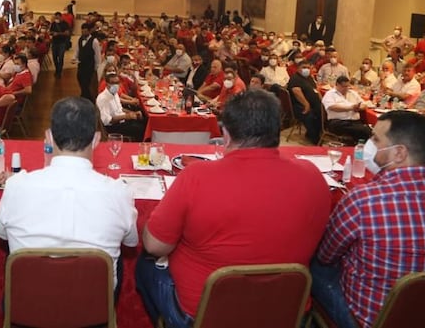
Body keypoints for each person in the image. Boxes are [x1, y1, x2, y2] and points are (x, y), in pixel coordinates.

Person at [137, 89, 330, 328]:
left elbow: (155, 246)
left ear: (225, 134)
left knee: (145, 263)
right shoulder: (313, 176)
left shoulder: (197, 176)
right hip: (286, 313)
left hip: (203, 315)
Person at [312, 111, 425, 328]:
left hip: (373, 319)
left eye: (376, 139)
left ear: (399, 153)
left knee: (314, 263)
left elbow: (327, 255)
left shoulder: (363, 200)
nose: (370, 145)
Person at [0, 97, 138, 296]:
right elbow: (131, 242)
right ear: (97, 140)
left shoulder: (16, 186)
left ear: (49, 137)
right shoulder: (119, 193)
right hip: (93, 306)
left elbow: (2, 235)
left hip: (28, 303)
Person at [96, 71, 145, 142]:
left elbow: (120, 109)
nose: (115, 85)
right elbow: (107, 121)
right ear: (107, 84)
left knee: (144, 119)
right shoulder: (103, 98)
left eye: (117, 83)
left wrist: (133, 113)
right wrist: (126, 116)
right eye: (113, 83)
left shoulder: (114, 94)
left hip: (122, 120)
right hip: (112, 126)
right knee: (140, 129)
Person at [322, 75, 372, 143]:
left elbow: (364, 104)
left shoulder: (353, 93)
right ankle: (358, 146)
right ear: (337, 85)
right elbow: (332, 107)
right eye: (343, 86)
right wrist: (350, 108)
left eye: (347, 86)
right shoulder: (330, 94)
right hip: (338, 122)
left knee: (368, 130)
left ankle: (357, 146)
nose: (346, 88)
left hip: (354, 121)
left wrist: (359, 108)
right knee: (364, 131)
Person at [287, 62, 321, 144]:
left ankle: (313, 133)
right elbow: (296, 92)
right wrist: (306, 104)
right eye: (304, 67)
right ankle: (315, 137)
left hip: (313, 104)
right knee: (310, 115)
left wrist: (321, 101)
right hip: (300, 105)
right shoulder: (295, 78)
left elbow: (316, 90)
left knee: (323, 112)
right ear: (298, 68)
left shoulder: (309, 78)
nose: (306, 69)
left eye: (308, 67)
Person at [75, 22, 102, 100]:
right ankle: (85, 95)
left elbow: (97, 55)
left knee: (87, 82)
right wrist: (75, 58)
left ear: (89, 31)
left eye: (85, 31)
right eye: (82, 31)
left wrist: (97, 67)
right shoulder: (80, 39)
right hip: (81, 64)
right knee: (79, 78)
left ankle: (86, 97)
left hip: (90, 65)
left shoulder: (94, 41)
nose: (83, 33)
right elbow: (77, 50)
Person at [48, 12, 71, 79]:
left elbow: (67, 33)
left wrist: (58, 34)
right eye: (56, 18)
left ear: (61, 17)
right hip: (54, 42)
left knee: (61, 57)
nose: (57, 19)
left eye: (58, 17)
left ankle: (59, 71)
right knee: (54, 57)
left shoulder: (65, 24)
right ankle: (57, 69)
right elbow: (50, 32)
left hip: (62, 43)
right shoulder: (53, 24)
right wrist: (52, 33)